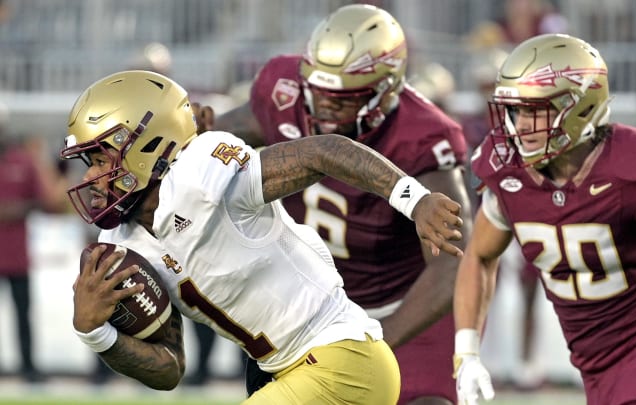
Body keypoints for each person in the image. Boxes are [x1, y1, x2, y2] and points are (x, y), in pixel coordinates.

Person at [62, 69, 464, 404]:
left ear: (147, 147)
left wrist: (415, 199)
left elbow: (321, 152)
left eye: (99, 159)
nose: (89, 177)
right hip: (283, 374)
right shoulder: (127, 245)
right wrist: (96, 334)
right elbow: (169, 367)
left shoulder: (200, 177)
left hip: (343, 357)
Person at [214, 4, 472, 404]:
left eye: (341, 99)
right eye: (315, 92)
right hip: (312, 306)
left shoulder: (423, 138)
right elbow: (221, 140)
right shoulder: (284, 92)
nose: (321, 108)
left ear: (384, 93)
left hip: (403, 305)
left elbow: (451, 266)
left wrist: (376, 340)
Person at [452, 33, 636, 405]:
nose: (521, 126)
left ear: (578, 107)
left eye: (536, 110)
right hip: (592, 366)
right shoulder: (508, 173)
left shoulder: (632, 165)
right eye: (516, 110)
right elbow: (479, 257)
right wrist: (466, 352)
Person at [0, 106, 65, 382]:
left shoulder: (23, 160)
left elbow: (49, 202)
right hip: (12, 251)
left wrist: (18, 208)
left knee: (23, 316)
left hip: (16, 256)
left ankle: (28, 367)